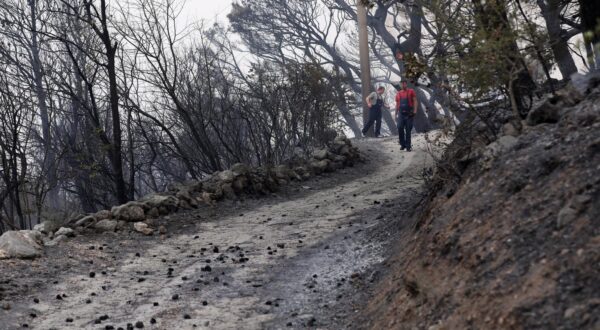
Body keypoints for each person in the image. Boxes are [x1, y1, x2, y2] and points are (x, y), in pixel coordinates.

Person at [395, 80, 418, 151]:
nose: (402, 85)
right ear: (400, 85)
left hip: (409, 113)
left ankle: (408, 146)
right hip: (401, 114)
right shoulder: (398, 94)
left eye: (404, 84)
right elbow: (397, 104)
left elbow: (415, 101)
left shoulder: (411, 91)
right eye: (401, 84)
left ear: (406, 84)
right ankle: (403, 144)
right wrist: (395, 114)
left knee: (408, 129)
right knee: (399, 127)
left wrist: (415, 111)